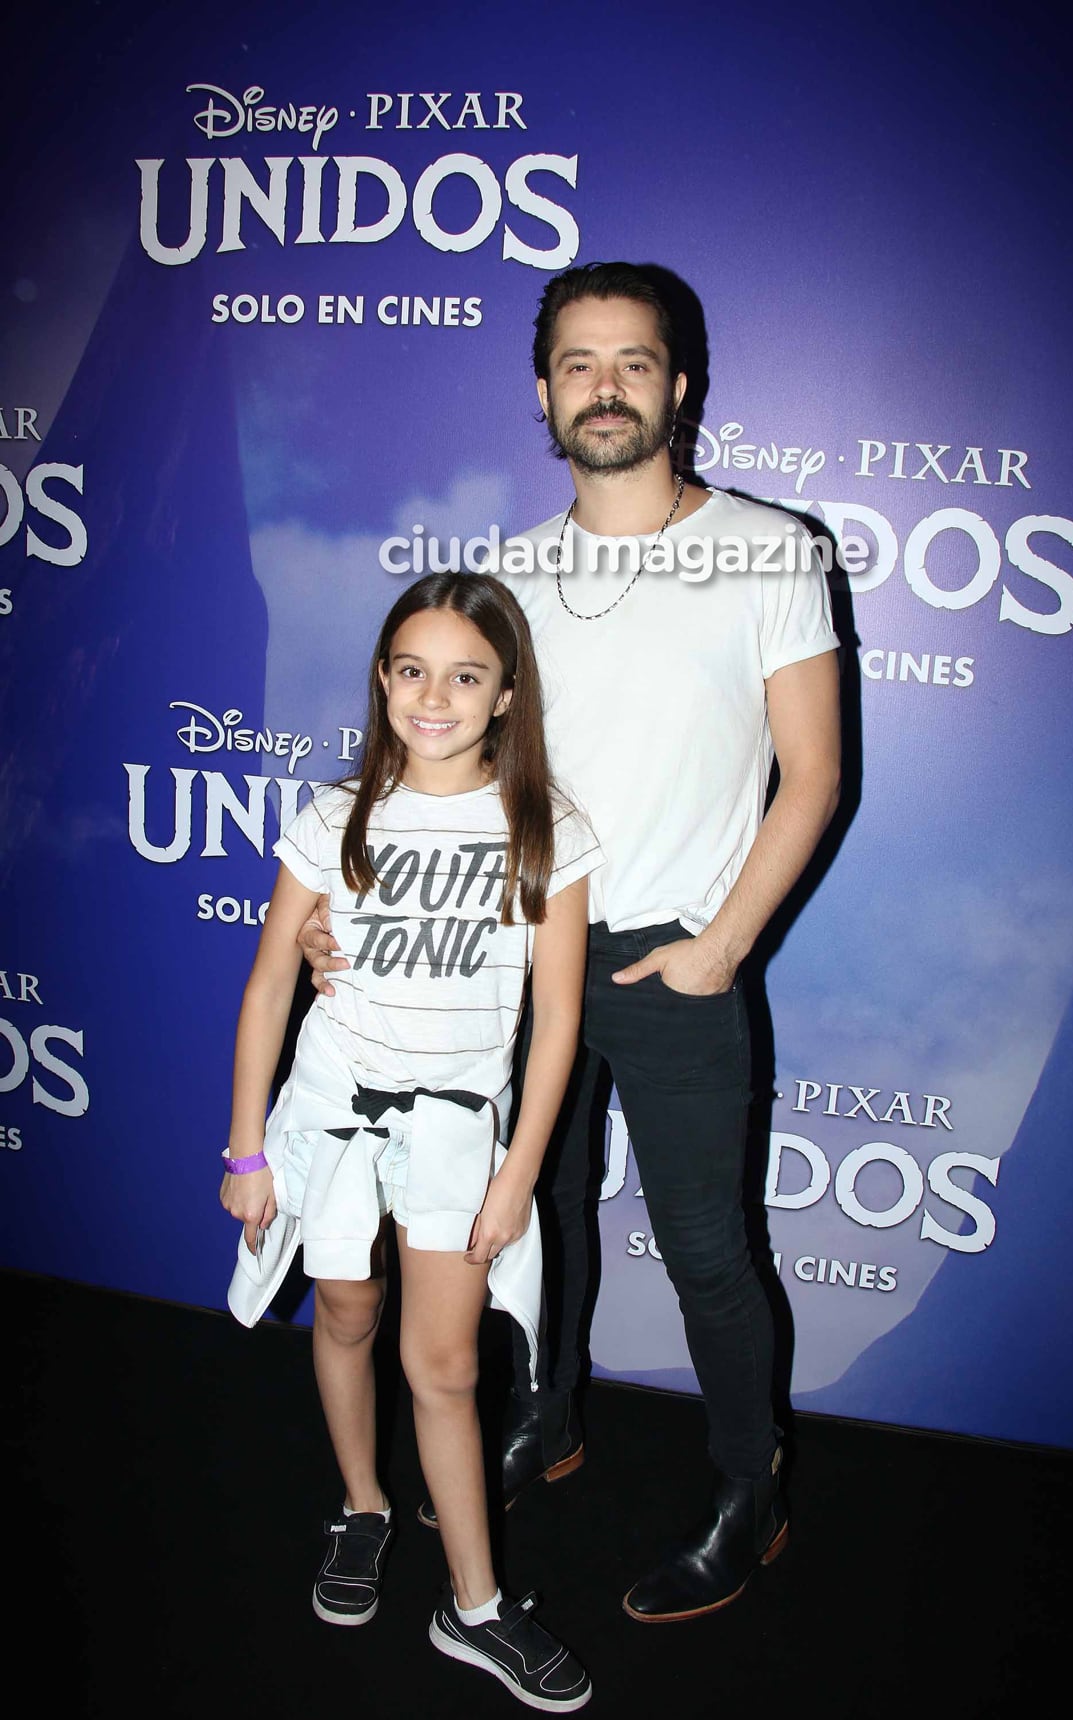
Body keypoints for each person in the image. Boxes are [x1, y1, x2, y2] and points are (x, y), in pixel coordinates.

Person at [304, 263, 841, 1624]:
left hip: (672, 962)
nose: (604, 387)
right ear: (543, 393)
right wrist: (345, 909)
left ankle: (747, 1493)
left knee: (707, 1249)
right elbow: (444, 765)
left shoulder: (771, 548)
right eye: (577, 363)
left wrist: (721, 946)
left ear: (679, 384)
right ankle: (547, 1416)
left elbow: (813, 776)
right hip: (507, 954)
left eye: (633, 361)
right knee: (535, 1214)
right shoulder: (512, 577)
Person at [220, 571, 599, 1710]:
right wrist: (247, 1149)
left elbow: (559, 1023)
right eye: (410, 669)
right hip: (330, 1113)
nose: (433, 695)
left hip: (455, 1134)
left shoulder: (547, 828)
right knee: (343, 1312)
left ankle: (474, 1604)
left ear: (505, 692)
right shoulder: (336, 815)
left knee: (443, 1365)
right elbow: (272, 980)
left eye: (464, 674)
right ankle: (363, 1505)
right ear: (382, 677)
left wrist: (518, 1174)